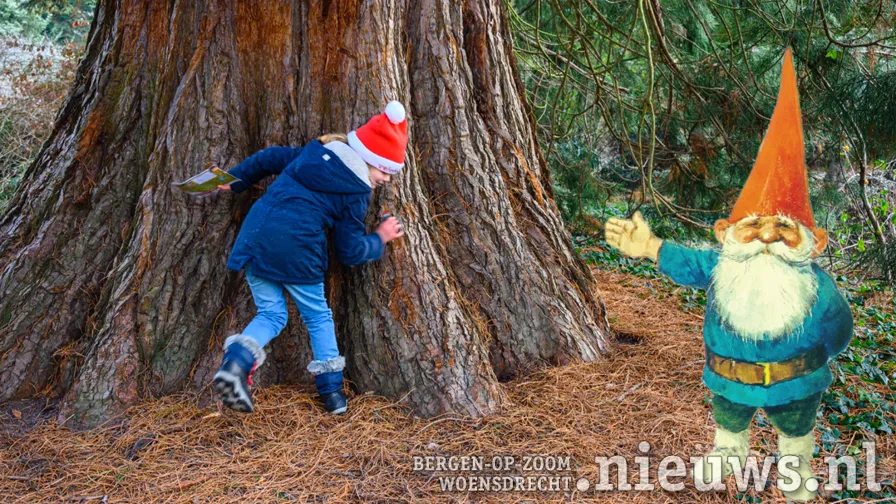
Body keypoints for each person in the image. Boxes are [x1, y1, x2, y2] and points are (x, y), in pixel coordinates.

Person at [605, 50, 853, 501]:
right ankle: (728, 451)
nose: (766, 237)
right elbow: (687, 263)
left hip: (797, 383)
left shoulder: (818, 287)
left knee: (796, 427)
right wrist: (650, 247)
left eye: (782, 229)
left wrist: (810, 357)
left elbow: (839, 330)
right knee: (729, 419)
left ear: (814, 242)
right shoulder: (722, 267)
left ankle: (795, 466)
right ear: (727, 234)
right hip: (728, 379)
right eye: (754, 225)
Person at [213, 101, 408, 415]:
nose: (386, 178)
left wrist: (237, 178)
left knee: (272, 314)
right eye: (384, 169)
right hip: (298, 250)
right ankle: (332, 395)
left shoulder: (315, 151)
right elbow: (350, 251)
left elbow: (270, 157)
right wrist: (380, 238)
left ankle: (235, 365)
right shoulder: (356, 192)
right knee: (317, 317)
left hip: (257, 234)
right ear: (369, 158)